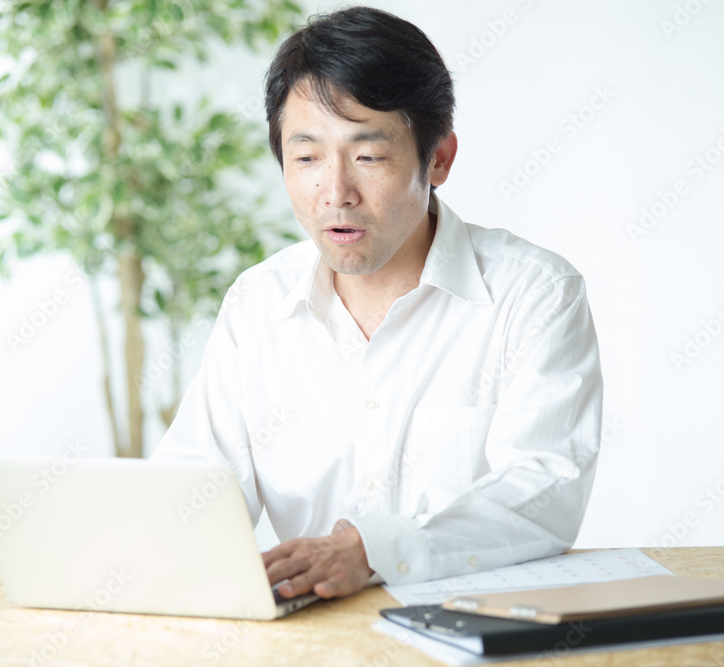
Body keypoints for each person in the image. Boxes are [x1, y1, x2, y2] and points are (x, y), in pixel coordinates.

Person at [150, 6, 602, 601]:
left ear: (438, 158)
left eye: (368, 156)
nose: (335, 193)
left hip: (478, 626)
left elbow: (544, 490)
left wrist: (373, 551)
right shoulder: (259, 303)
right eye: (307, 158)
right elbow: (194, 488)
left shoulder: (533, 293)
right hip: (311, 632)